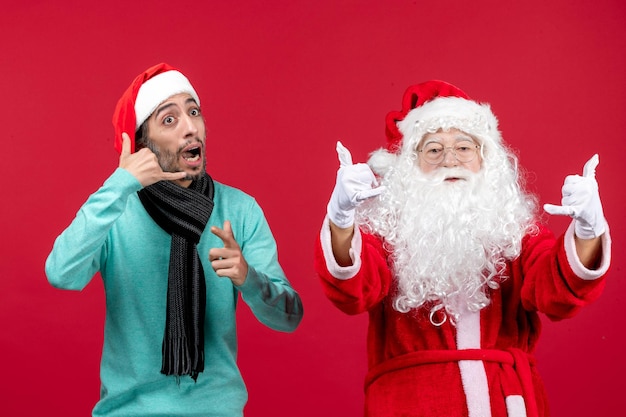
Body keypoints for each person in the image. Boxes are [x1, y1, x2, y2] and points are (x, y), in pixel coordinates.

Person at [314, 80, 610, 417]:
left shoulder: (514, 231)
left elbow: (557, 295)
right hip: (409, 405)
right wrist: (341, 219)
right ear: (411, 165)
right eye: (434, 149)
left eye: (464, 148)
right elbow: (352, 291)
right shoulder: (385, 233)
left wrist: (588, 230)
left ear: (486, 160)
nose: (450, 160)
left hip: (504, 403)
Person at [46, 62, 303, 417]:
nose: (190, 127)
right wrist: (120, 183)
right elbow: (60, 273)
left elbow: (289, 317)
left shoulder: (239, 210)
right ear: (142, 145)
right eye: (169, 119)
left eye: (194, 112)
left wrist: (248, 278)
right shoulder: (116, 209)